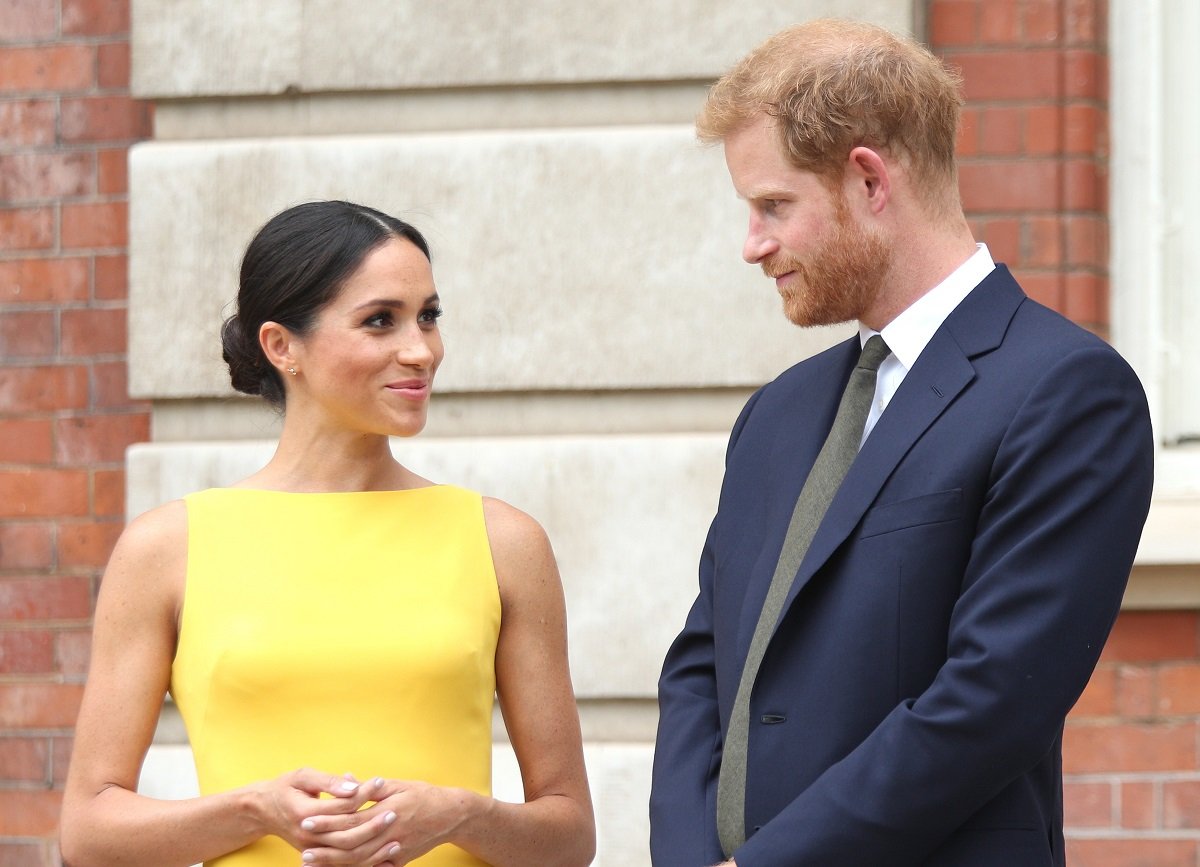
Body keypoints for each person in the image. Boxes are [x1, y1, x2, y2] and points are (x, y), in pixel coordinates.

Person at [649, 19, 1153, 867]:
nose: (753, 245)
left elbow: (989, 703)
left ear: (869, 179)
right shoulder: (778, 413)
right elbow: (701, 667)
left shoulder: (1066, 392)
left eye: (775, 205)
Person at [60, 200, 596, 867]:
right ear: (282, 346)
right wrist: (255, 809)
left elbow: (570, 835)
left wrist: (461, 813)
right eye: (381, 320)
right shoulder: (168, 548)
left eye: (428, 316)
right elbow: (87, 831)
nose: (421, 349)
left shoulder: (503, 541)